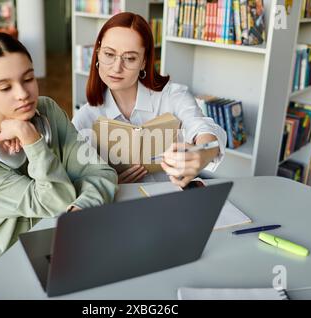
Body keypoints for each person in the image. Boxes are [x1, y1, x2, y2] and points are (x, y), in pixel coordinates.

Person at [0, 32, 118, 300]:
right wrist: (32, 140)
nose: (23, 95)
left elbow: (100, 173)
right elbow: (55, 201)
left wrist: (79, 208)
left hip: (42, 257)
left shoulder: (47, 111)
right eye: (5, 87)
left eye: (28, 78)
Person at [72, 12, 227, 187]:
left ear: (144, 61)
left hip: (169, 202)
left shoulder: (172, 96)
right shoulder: (84, 118)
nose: (116, 68)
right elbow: (74, 181)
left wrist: (201, 153)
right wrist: (107, 185)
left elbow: (203, 127)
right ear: (98, 54)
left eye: (130, 58)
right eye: (109, 54)